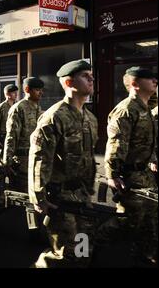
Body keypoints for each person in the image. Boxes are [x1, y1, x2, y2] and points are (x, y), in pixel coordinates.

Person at [28, 59, 98, 268]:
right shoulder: (53, 117)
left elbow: (88, 156)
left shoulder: (90, 118)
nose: (92, 79)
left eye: (91, 76)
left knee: (84, 248)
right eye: (86, 76)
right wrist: (39, 196)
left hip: (82, 195)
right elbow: (39, 159)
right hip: (60, 197)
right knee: (65, 254)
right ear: (68, 83)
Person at [104, 66, 158, 266]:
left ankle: (146, 253)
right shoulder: (126, 109)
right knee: (126, 221)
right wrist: (113, 174)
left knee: (150, 218)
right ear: (135, 84)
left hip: (145, 174)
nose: (154, 80)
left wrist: (152, 159)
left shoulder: (145, 108)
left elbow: (145, 142)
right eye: (149, 78)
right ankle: (89, 244)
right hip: (130, 175)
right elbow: (116, 144)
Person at [3, 78, 43, 191]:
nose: (41, 92)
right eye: (37, 90)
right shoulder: (18, 108)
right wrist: (7, 161)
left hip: (36, 159)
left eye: (41, 90)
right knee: (21, 194)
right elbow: (11, 136)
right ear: (27, 90)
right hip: (22, 161)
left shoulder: (38, 108)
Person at [0, 84, 18, 164]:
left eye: (16, 92)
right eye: (13, 92)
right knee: (4, 165)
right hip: (3, 138)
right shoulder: (1, 108)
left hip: (16, 139)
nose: (16, 94)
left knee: (15, 165)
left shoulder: (18, 106)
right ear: (7, 94)